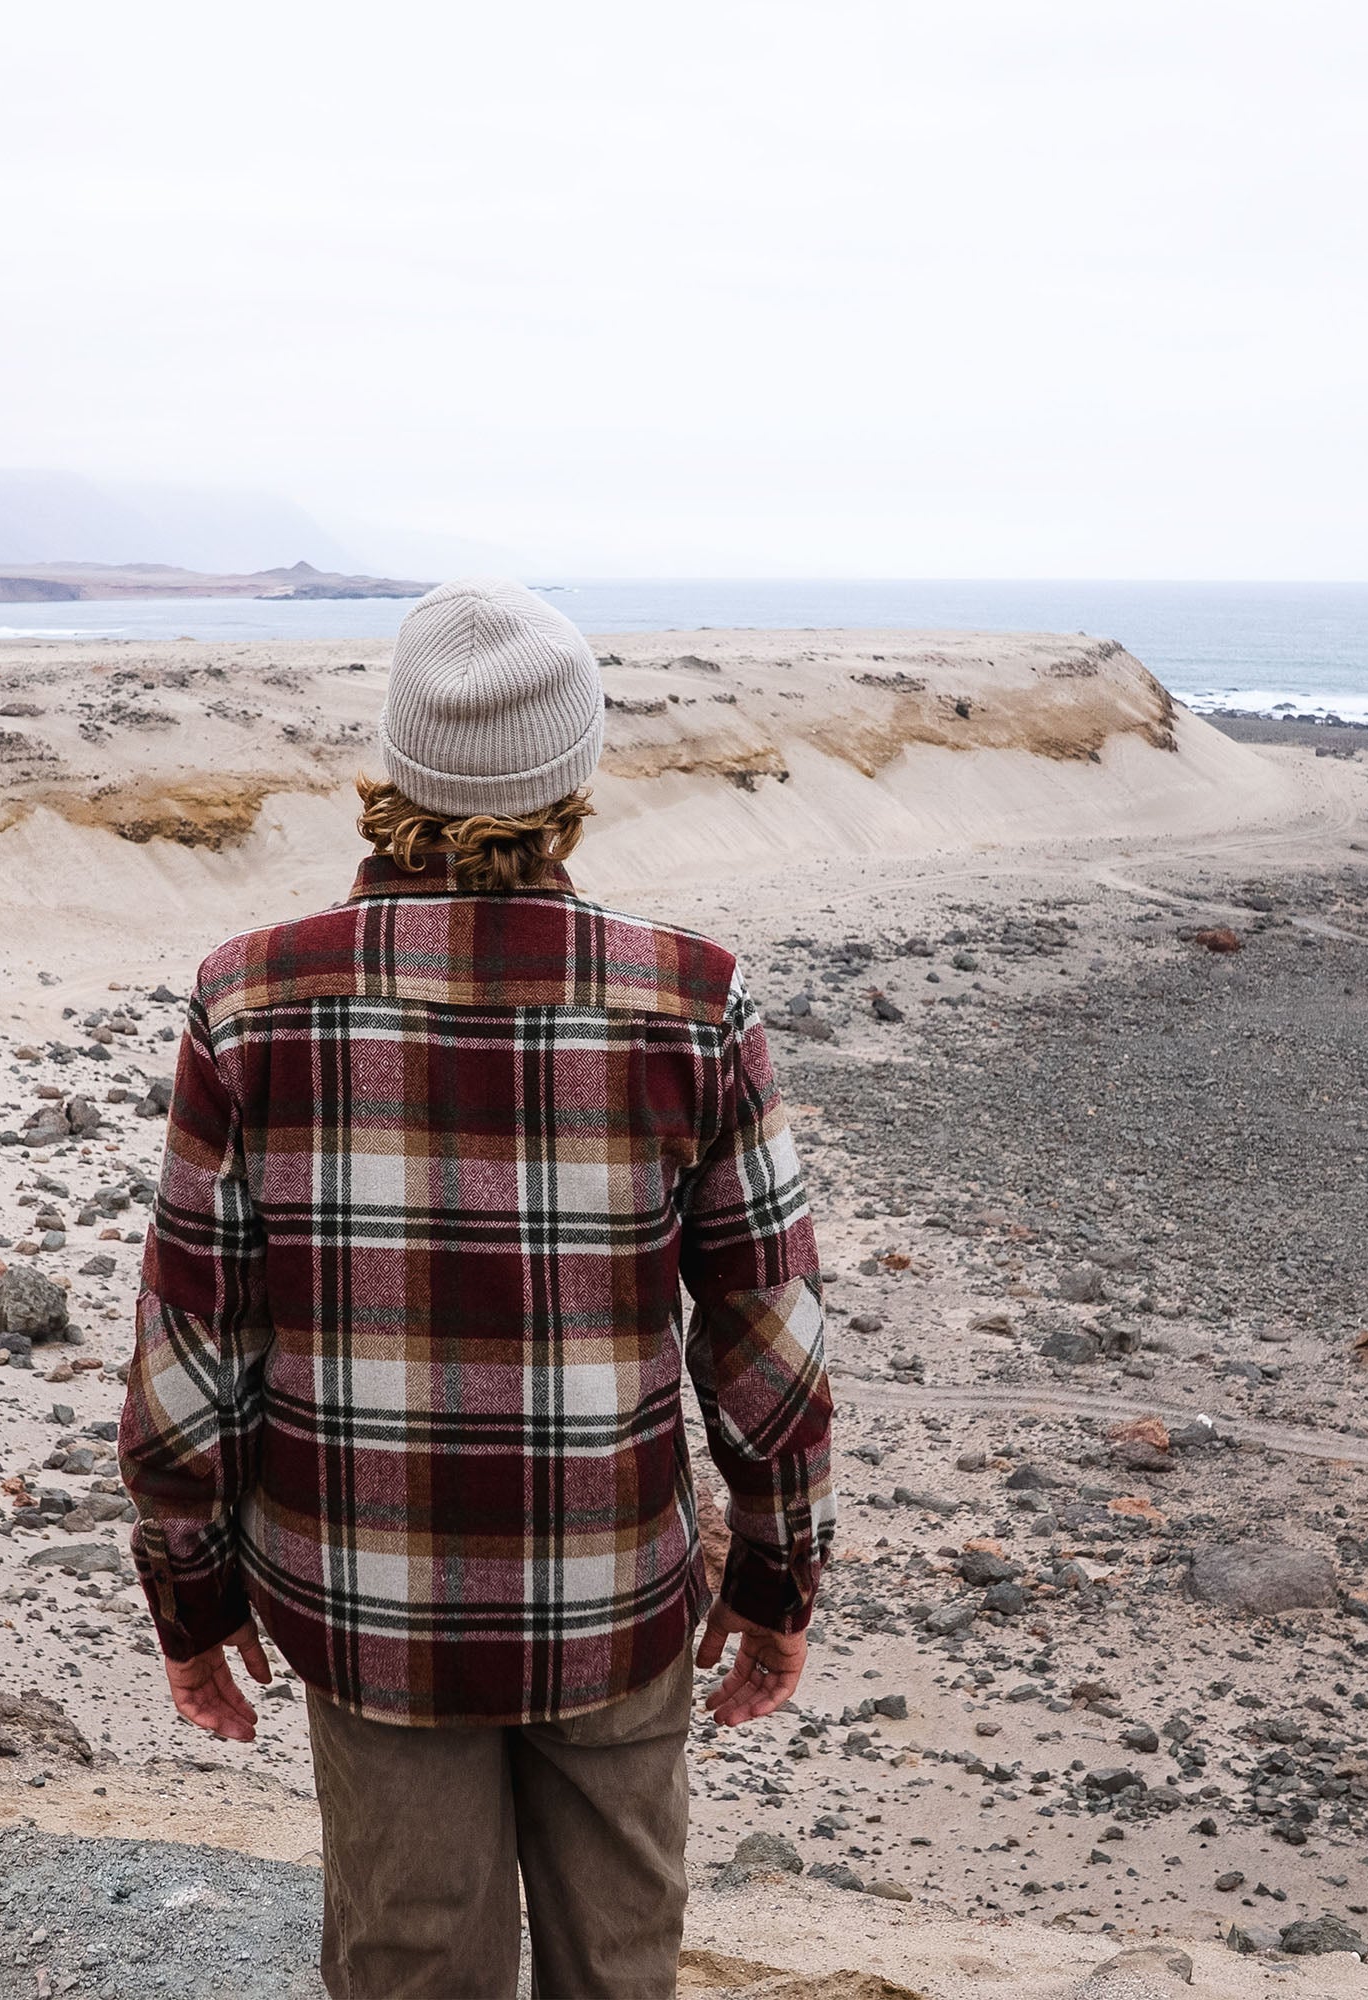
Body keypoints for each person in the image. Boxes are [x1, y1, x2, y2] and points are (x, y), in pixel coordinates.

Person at [120, 577, 835, 2000]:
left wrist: (190, 1598)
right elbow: (766, 1345)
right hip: (613, 1589)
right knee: (621, 1969)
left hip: (365, 1599)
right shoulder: (693, 1002)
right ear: (575, 772)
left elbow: (191, 1344)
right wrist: (777, 1575)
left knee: (408, 1967)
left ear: (397, 763)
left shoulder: (250, 998)